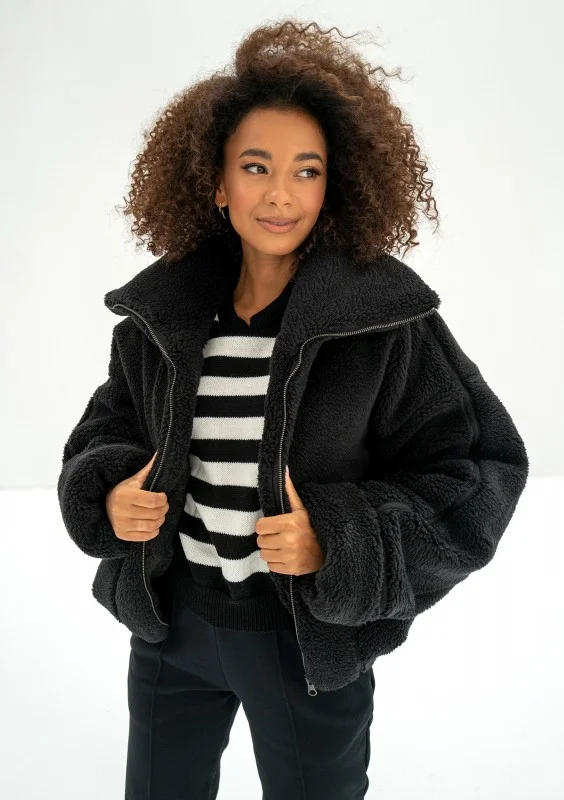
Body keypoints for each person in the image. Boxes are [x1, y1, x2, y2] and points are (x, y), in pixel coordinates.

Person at [57, 18, 529, 800]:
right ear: (217, 183)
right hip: (172, 627)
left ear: (333, 186)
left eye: (307, 171)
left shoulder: (381, 325)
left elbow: (481, 471)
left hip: (304, 642)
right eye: (256, 167)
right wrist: (108, 493)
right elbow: (106, 430)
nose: (281, 194)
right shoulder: (161, 320)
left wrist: (338, 544)